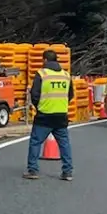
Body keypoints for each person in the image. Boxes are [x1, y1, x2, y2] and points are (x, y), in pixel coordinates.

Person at [23, 48, 74, 181]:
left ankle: (33, 170)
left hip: (44, 115)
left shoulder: (42, 74)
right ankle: (67, 171)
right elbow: (70, 95)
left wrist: (40, 106)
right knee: (64, 144)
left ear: (45, 60)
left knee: (35, 142)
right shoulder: (66, 75)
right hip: (61, 115)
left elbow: (34, 94)